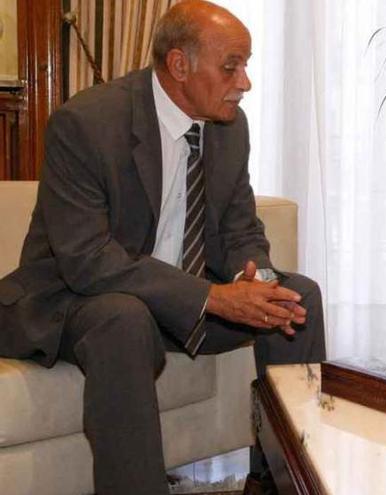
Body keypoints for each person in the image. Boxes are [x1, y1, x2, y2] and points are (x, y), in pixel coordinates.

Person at [0, 1, 325, 494]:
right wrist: (212, 298)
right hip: (71, 300)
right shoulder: (87, 123)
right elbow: (87, 259)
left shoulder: (229, 128)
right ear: (179, 65)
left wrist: (252, 281)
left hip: (171, 301)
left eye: (247, 65)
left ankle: (280, 480)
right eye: (231, 66)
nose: (245, 82)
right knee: (123, 318)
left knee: (295, 297)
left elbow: (240, 227)